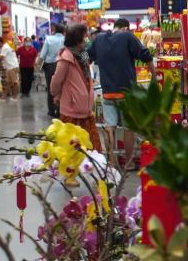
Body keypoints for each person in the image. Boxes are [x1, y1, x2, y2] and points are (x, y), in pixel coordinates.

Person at [88, 18, 155, 167]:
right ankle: (129, 163)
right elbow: (146, 55)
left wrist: (80, 64)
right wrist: (155, 78)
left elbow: (86, 57)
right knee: (128, 128)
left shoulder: (98, 39)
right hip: (127, 93)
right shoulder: (127, 36)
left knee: (109, 126)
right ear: (125, 28)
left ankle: (112, 161)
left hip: (107, 93)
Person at [50, 23, 102, 152]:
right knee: (72, 151)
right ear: (78, 38)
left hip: (86, 111)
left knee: (93, 150)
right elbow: (56, 82)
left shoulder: (84, 55)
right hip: (71, 112)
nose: (87, 39)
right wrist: (56, 95)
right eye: (85, 36)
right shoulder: (66, 58)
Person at [36, 22, 66, 117]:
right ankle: (61, 109)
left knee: (50, 88)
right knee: (63, 88)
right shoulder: (66, 40)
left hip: (50, 66)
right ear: (63, 31)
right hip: (63, 65)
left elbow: (43, 55)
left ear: (54, 30)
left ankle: (52, 111)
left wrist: (39, 68)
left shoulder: (48, 39)